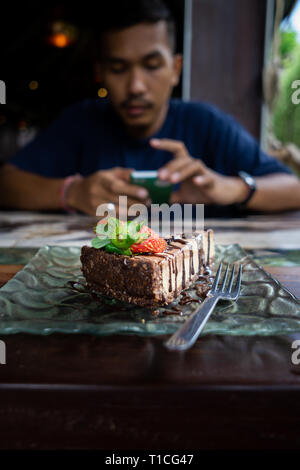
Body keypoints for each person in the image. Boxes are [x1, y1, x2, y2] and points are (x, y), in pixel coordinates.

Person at [1, 0, 300, 217]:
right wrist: (72, 192)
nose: (135, 86)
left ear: (175, 69)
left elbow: (292, 188)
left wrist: (231, 189)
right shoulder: (81, 122)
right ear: (101, 73)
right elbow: (6, 183)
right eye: (119, 68)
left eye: (152, 65)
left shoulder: (206, 123)